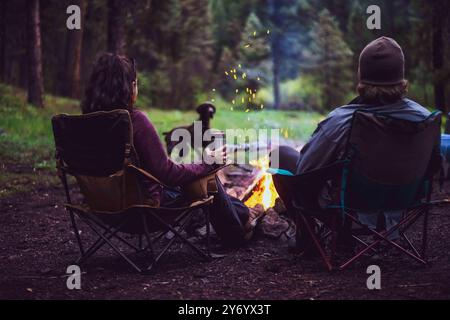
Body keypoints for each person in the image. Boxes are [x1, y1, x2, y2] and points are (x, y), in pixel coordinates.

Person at [270, 37, 441, 251]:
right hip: (405, 202)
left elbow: (306, 170)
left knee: (281, 155)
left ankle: (311, 237)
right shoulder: (425, 119)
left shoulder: (343, 121)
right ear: (401, 77)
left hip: (349, 207)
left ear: (362, 76)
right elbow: (435, 165)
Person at [81, 53, 262, 247]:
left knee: (196, 174)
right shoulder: (135, 121)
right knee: (207, 176)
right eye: (136, 83)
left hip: (102, 207)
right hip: (145, 208)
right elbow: (167, 173)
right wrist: (209, 163)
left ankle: (244, 212)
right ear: (130, 87)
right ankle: (237, 231)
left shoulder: (83, 124)